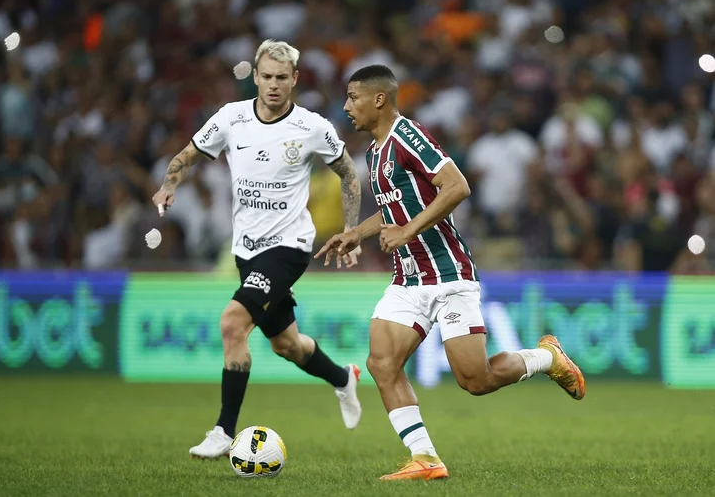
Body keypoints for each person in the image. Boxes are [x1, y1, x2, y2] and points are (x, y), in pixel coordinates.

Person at [316, 65, 586, 481]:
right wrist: (357, 233)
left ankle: (547, 357)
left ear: (379, 99)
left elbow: (457, 185)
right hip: (408, 279)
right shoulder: (375, 152)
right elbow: (394, 207)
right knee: (382, 363)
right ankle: (425, 458)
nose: (346, 106)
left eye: (353, 97)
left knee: (475, 380)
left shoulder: (409, 136)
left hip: (447, 274)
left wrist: (407, 230)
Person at [152, 39, 364, 460]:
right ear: (255, 75)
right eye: (266, 76)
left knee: (233, 323)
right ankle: (343, 377)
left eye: (281, 78)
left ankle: (223, 431)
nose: (272, 85)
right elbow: (188, 154)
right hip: (246, 249)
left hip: (289, 245)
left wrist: (352, 230)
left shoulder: (312, 127)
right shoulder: (232, 118)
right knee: (287, 344)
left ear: (294, 80)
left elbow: (349, 175)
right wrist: (168, 184)